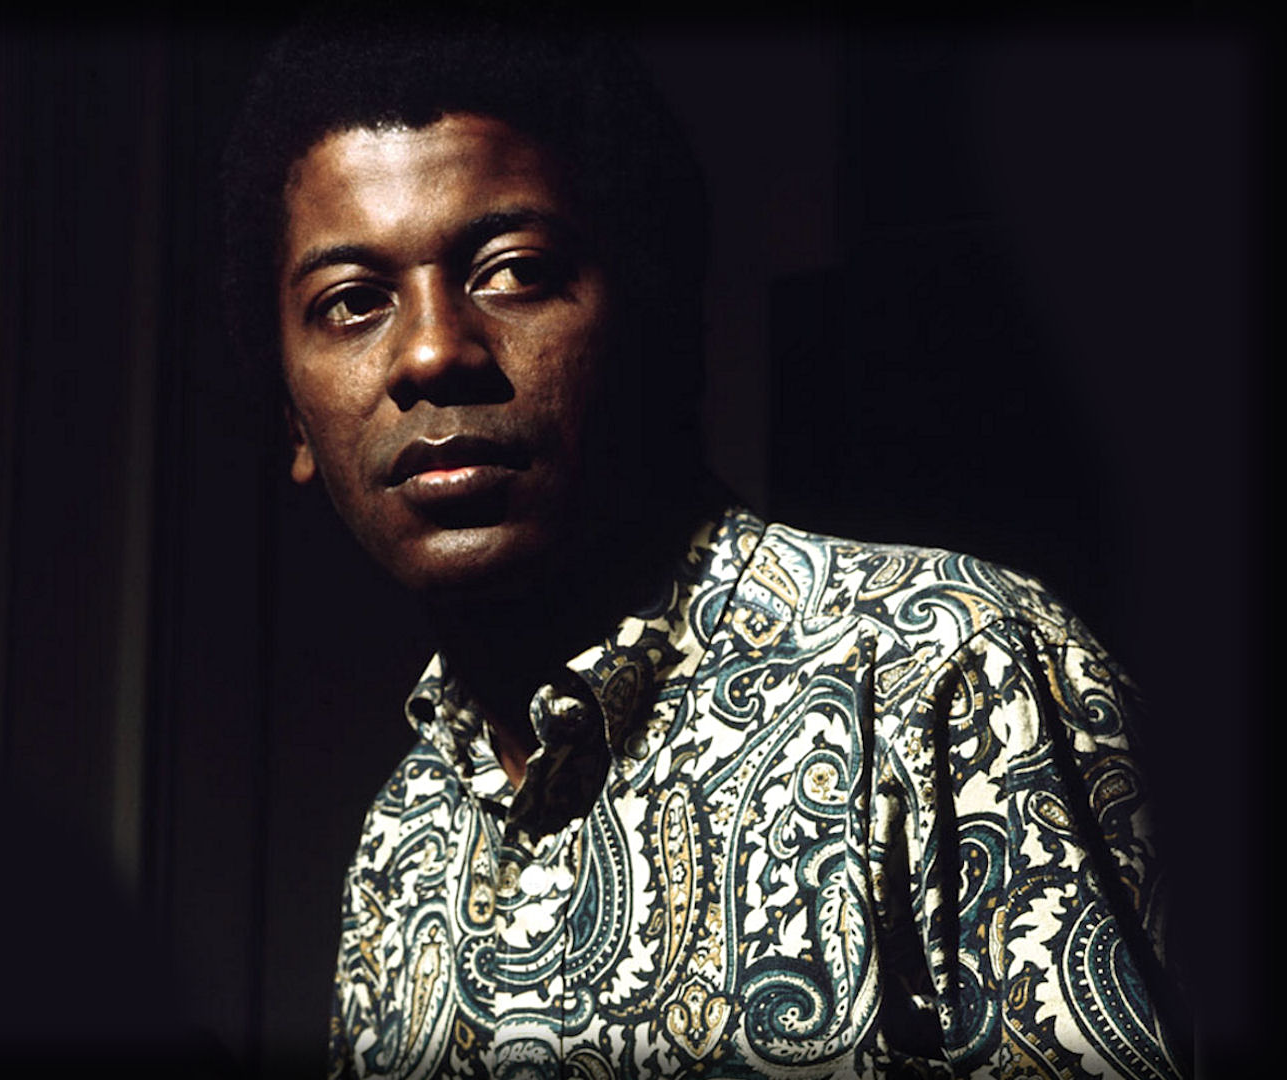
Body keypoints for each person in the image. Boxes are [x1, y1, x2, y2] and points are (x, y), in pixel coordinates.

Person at [221, 9, 1188, 1079]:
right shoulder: (402, 839)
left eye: (515, 270)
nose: (433, 351)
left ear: (656, 322)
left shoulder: (948, 678)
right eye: (351, 303)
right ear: (292, 420)